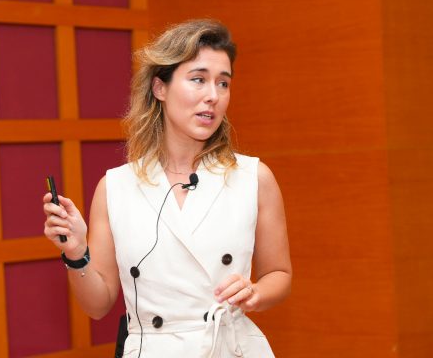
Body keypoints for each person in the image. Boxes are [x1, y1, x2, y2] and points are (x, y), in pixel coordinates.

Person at [43, 19, 291, 357]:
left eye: (223, 83)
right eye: (198, 79)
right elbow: (97, 305)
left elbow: (279, 273)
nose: (213, 96)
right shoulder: (116, 187)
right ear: (160, 88)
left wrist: (256, 293)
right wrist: (76, 253)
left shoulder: (253, 177)